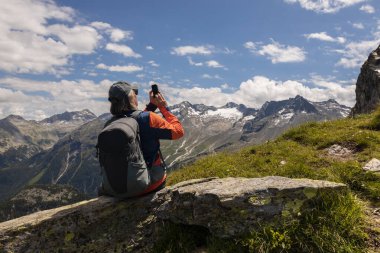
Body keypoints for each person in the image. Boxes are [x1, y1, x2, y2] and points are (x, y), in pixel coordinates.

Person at [101, 81, 184, 196]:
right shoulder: (148, 118)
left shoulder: (110, 124)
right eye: (135, 94)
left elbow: (135, 121)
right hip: (148, 184)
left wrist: (152, 106)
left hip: (116, 189)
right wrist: (163, 107)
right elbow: (178, 132)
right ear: (132, 97)